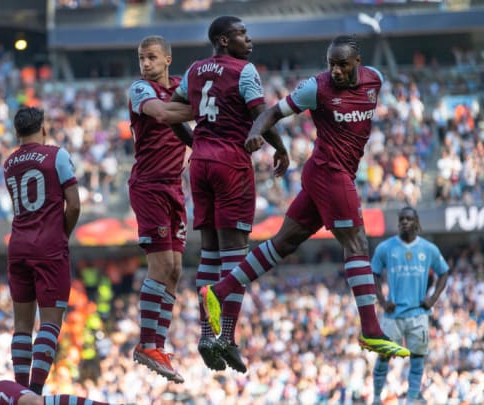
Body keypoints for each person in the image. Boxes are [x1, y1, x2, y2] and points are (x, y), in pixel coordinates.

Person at [200, 34, 411, 363]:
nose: (336, 71)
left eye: (342, 65)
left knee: (283, 243)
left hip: (325, 177)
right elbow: (273, 112)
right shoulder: (317, 87)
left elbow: (377, 80)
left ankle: (219, 289)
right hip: (330, 174)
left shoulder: (375, 80)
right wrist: (256, 132)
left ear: (357, 63)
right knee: (356, 244)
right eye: (331, 65)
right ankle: (371, 329)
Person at [158, 15, 289, 373]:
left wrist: (196, 142)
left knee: (210, 254)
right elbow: (260, 114)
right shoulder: (244, 70)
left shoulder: (194, 71)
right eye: (242, 34)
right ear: (223, 40)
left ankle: (206, 332)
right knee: (235, 256)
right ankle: (225, 335)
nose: (249, 39)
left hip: (200, 164)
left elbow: (172, 113)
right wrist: (281, 149)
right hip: (231, 163)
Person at [127, 35, 192, 383]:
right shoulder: (140, 90)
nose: (145, 64)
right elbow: (165, 115)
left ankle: (158, 344)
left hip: (173, 188)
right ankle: (146, 344)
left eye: (151, 58)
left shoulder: (183, 86)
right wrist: (209, 108)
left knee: (176, 269)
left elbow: (193, 132)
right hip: (149, 186)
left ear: (168, 59)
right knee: (162, 265)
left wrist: (191, 153)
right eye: (141, 58)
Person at [3, 107, 81, 395]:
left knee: (21, 325)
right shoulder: (56, 156)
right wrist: (62, 233)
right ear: (43, 129)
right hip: (49, 246)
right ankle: (34, 392)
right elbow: (73, 205)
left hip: (18, 244)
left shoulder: (9, 163)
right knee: (49, 324)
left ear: (16, 133)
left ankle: (20, 391)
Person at [370, 206, 449, 405]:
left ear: (417, 223)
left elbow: (444, 273)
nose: (404, 222)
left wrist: (432, 299)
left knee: (417, 359)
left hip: (418, 315)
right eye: (402, 219)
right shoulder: (385, 248)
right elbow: (374, 274)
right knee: (383, 357)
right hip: (393, 315)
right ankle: (377, 397)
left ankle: (411, 399)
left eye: (409, 219)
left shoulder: (429, 249)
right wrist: (382, 300)